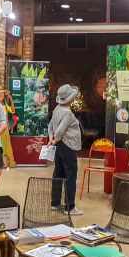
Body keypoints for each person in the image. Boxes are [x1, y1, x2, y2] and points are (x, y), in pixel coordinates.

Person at [48, 84, 83, 216]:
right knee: (70, 175)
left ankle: (55, 203)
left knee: (58, 173)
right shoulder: (67, 113)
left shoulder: (57, 109)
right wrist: (55, 139)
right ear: (70, 99)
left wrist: (52, 139)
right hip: (68, 146)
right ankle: (70, 207)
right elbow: (61, 130)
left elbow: (50, 125)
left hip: (59, 146)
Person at [0, 86, 17, 169]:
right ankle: (1, 163)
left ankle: (8, 162)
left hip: (5, 128)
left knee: (7, 145)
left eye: (2, 93)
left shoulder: (5, 104)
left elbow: (13, 111)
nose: (0, 95)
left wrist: (10, 98)